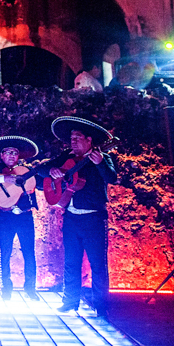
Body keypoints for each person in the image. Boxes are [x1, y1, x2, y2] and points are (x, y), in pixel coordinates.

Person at [44, 116, 118, 317]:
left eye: (78, 137)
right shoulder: (66, 158)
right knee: (71, 261)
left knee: (98, 263)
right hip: (71, 218)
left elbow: (112, 177)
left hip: (93, 219)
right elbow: (43, 171)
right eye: (71, 138)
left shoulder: (103, 158)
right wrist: (53, 171)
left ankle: (101, 305)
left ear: (89, 140)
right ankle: (69, 302)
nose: (73, 141)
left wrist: (101, 163)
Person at [0, 135, 41, 301]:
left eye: (14, 153)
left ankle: (30, 288)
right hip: (5, 216)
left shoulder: (26, 171)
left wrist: (43, 174)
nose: (11, 156)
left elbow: (40, 183)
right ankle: (6, 287)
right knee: (5, 252)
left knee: (29, 252)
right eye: (7, 153)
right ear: (2, 155)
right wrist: (4, 178)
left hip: (25, 216)